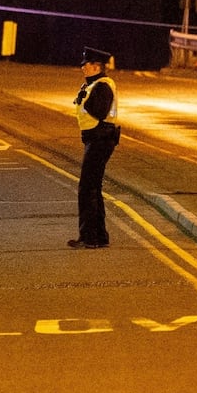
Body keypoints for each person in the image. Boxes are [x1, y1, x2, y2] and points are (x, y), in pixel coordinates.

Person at [68, 47, 120, 249]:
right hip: (96, 139)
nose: (83, 67)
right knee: (94, 188)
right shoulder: (93, 84)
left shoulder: (103, 86)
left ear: (96, 66)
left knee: (87, 188)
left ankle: (89, 237)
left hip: (101, 139)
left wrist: (85, 101)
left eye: (86, 64)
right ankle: (99, 236)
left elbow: (98, 111)